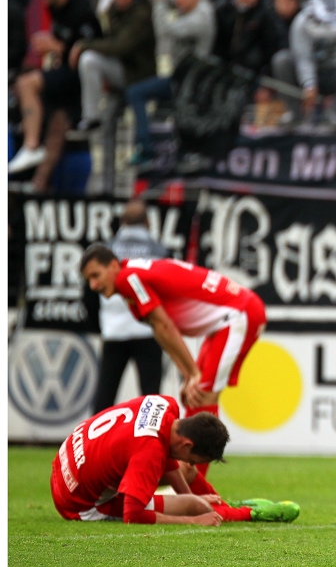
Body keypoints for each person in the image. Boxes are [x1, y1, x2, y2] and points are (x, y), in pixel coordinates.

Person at [79, 246, 268, 475]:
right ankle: (189, 483)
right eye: (89, 280)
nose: (93, 286)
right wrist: (188, 374)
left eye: (96, 276)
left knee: (201, 396)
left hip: (238, 315)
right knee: (196, 397)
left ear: (113, 266)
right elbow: (161, 330)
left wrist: (193, 373)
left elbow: (163, 325)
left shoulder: (128, 279)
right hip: (229, 318)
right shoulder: (131, 276)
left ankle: (192, 485)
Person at [51, 395, 299, 524]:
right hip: (77, 504)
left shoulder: (164, 405)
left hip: (64, 466)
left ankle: (224, 504)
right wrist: (194, 519)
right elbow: (133, 516)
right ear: (187, 444)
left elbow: (169, 456)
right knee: (195, 508)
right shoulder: (148, 452)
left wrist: (186, 493)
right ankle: (248, 514)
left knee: (187, 477)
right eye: (195, 458)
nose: (192, 463)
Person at [10, 0, 101, 179]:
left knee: (26, 83)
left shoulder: (81, 10)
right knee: (22, 83)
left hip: (82, 77)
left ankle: (31, 146)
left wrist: (55, 47)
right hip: (63, 72)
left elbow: (92, 49)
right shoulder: (53, 7)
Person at [127, 0, 215, 165]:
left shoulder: (201, 17)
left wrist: (158, 0)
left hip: (194, 82)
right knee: (136, 93)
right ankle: (145, 149)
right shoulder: (188, 6)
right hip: (180, 78)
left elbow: (165, 30)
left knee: (150, 97)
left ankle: (186, 154)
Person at [92, 201, 170, 416]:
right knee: (151, 398)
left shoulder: (106, 251)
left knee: (105, 396)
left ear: (121, 222)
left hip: (113, 330)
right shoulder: (159, 250)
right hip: (148, 329)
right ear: (147, 222)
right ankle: (154, 442)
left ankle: (91, 445)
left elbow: (91, 290)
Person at [71, 0, 157, 138]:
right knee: (109, 120)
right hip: (121, 68)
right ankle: (91, 119)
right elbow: (108, 40)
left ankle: (92, 117)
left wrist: (84, 45)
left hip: (138, 74)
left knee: (89, 58)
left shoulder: (142, 13)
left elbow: (120, 46)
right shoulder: (114, 10)